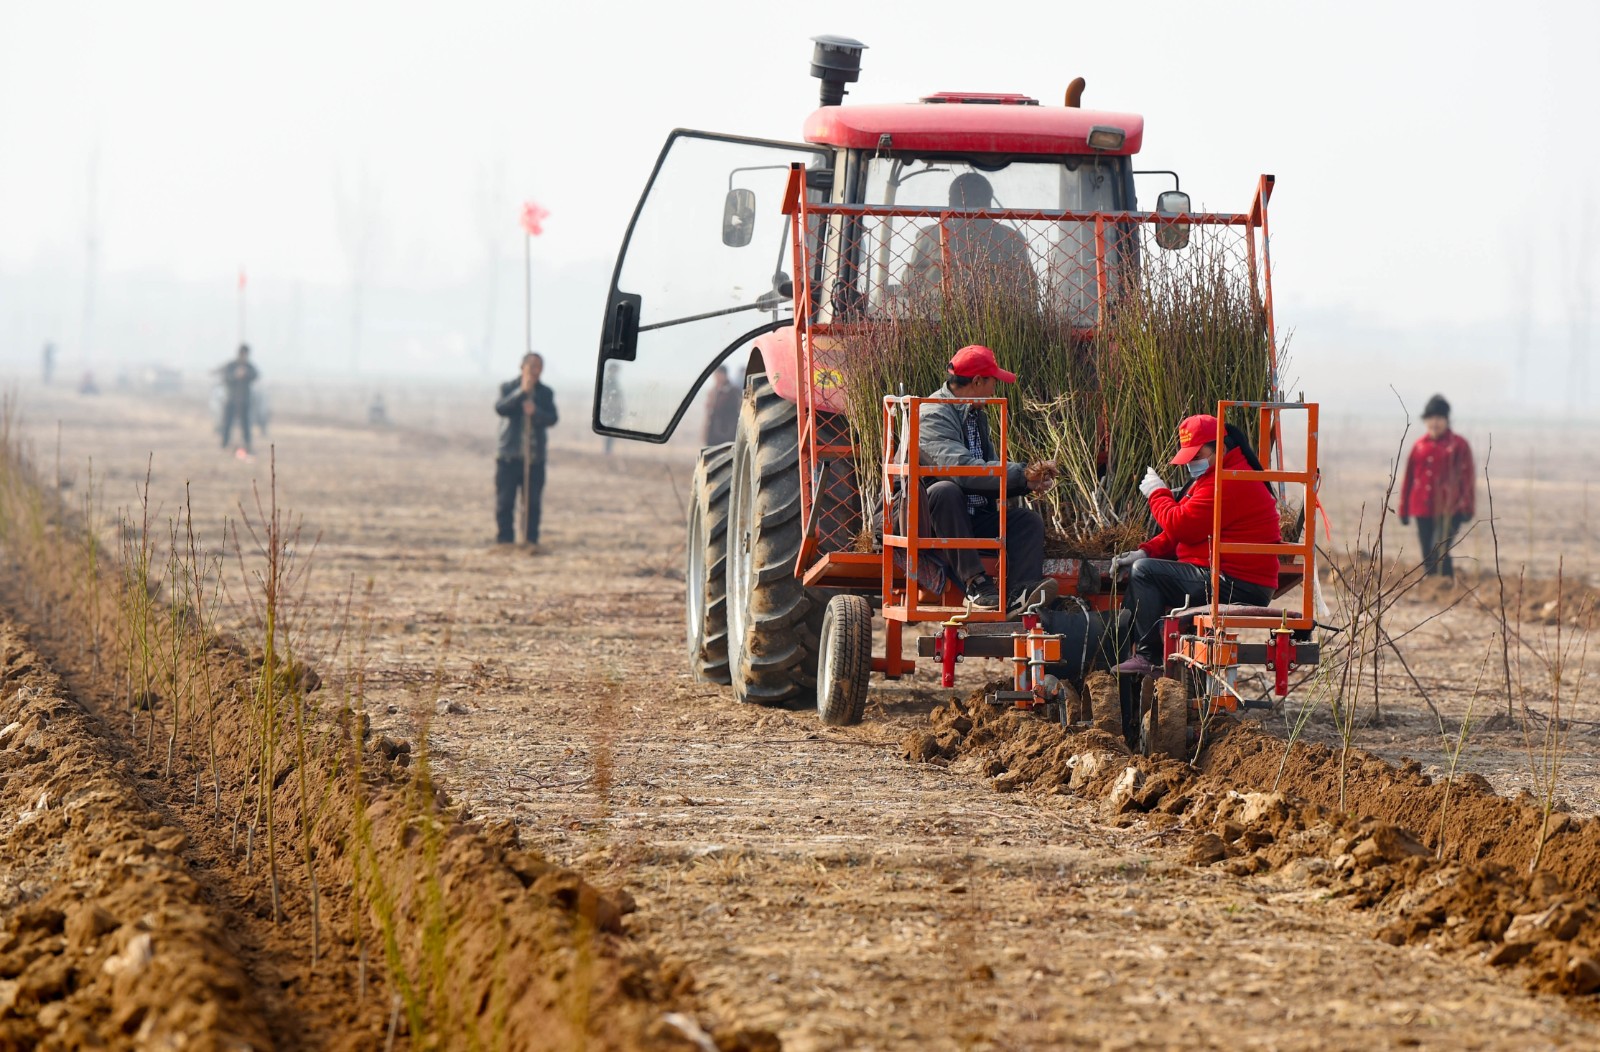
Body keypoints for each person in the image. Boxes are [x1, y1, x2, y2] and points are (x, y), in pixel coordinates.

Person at [1110, 414, 1282, 675]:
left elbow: (1180, 524)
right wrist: (1146, 550)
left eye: (1197, 455)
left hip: (1235, 583)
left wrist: (1158, 493)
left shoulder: (1228, 482)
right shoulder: (1214, 478)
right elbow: (1185, 530)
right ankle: (1145, 643)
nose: (1191, 463)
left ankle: (1147, 656)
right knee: (1145, 567)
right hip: (1225, 576)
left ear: (1220, 448)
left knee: (1145, 573)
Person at [916, 344, 1055, 611]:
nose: (995, 389)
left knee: (1027, 522)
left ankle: (1020, 597)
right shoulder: (933, 414)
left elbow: (988, 470)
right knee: (945, 490)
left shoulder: (976, 415)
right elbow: (963, 471)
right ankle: (976, 584)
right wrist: (1022, 474)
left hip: (970, 516)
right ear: (978, 381)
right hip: (930, 519)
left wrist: (1026, 482)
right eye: (993, 381)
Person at [905, 173, 1037, 304]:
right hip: (998, 319)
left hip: (935, 317)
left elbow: (909, 284)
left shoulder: (929, 235)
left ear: (950, 202)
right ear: (988, 202)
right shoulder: (1011, 238)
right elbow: (1029, 289)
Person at [1399, 394, 1474, 578]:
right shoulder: (1419, 446)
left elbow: (1467, 478)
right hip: (1421, 506)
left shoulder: (1458, 445)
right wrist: (1403, 509)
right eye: (1431, 418)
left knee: (1439, 547)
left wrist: (1467, 507)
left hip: (1451, 508)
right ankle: (1433, 584)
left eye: (1439, 418)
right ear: (1425, 421)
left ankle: (1446, 582)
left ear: (1447, 420)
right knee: (1427, 550)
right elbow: (1409, 478)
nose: (1435, 422)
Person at [494, 352, 558, 547]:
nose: (535, 371)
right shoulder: (508, 387)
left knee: (532, 504)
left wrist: (535, 411)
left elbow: (552, 418)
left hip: (534, 458)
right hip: (509, 457)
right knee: (505, 502)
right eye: (532, 367)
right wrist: (521, 392)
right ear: (522, 368)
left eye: (539, 367)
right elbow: (501, 408)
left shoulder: (545, 393)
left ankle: (530, 541)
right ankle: (505, 541)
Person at [218, 344, 260, 455]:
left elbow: (255, 375)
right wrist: (235, 375)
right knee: (227, 423)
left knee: (246, 424)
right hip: (231, 399)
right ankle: (225, 443)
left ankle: (247, 444)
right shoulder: (232, 365)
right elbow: (226, 376)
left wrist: (246, 374)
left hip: (244, 400)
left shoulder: (248, 366)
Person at [703, 365, 741, 446]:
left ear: (724, 375)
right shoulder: (713, 391)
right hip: (713, 432)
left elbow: (737, 409)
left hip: (728, 432)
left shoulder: (733, 391)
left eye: (718, 375)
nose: (716, 378)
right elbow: (709, 410)